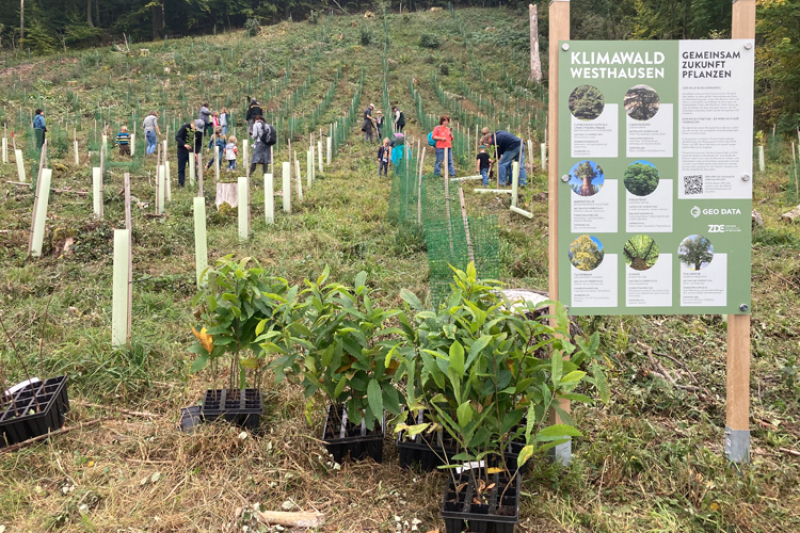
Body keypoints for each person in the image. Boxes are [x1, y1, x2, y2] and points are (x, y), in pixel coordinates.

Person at [175, 121, 197, 187]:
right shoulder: (185, 128)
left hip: (191, 152)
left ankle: (194, 183)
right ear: (192, 124)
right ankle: (181, 184)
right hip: (182, 150)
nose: (195, 129)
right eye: (195, 127)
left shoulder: (197, 132)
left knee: (193, 167)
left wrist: (195, 152)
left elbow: (196, 142)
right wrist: (184, 144)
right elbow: (177, 137)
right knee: (181, 168)